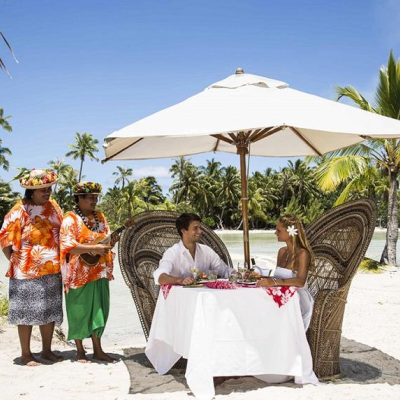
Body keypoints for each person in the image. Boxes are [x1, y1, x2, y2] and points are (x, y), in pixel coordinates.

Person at [0, 169, 63, 366]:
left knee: (50, 310)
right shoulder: (18, 211)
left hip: (52, 269)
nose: (47, 192)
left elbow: (64, 232)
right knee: (25, 312)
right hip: (25, 272)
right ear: (31, 192)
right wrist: (17, 261)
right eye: (42, 190)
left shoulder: (53, 207)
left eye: (48, 188)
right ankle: (26, 354)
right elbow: (4, 240)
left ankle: (46, 351)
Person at [60, 181, 119, 363]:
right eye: (91, 197)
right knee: (78, 309)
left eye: (96, 197)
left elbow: (105, 241)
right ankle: (79, 350)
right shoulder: (70, 219)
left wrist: (112, 242)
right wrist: (92, 248)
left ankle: (98, 349)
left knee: (99, 310)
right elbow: (67, 246)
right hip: (78, 273)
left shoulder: (100, 217)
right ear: (79, 199)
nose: (94, 200)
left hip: (99, 270)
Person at [257, 214, 315, 331]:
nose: (275, 233)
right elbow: (279, 278)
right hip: (283, 296)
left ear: (290, 232)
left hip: (298, 300)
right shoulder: (282, 252)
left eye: (278, 230)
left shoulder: (303, 254)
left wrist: (273, 282)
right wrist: (260, 276)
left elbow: (300, 282)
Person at [154, 213, 229, 285]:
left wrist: (235, 274)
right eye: (195, 228)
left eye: (200, 228)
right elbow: (159, 277)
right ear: (184, 231)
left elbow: (224, 270)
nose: (200, 231)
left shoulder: (207, 251)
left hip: (204, 296)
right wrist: (180, 280)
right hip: (178, 296)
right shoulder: (172, 253)